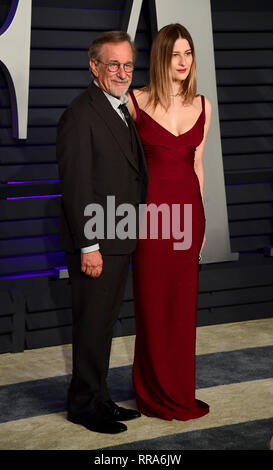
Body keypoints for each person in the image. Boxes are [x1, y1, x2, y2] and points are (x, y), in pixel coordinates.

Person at [56, 31, 148, 434]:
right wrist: (88, 245)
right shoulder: (81, 113)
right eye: (114, 64)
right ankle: (83, 405)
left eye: (128, 65)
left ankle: (98, 396)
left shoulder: (119, 107)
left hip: (119, 235)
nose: (123, 72)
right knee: (91, 324)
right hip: (98, 241)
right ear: (95, 66)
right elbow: (77, 185)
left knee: (104, 325)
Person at [127, 23, 211, 421]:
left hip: (188, 219)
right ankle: (151, 391)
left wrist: (204, 219)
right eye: (175, 53)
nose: (182, 61)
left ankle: (179, 390)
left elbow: (197, 165)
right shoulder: (135, 102)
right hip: (152, 221)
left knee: (182, 311)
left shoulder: (204, 105)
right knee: (152, 307)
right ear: (161, 57)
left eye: (188, 53)